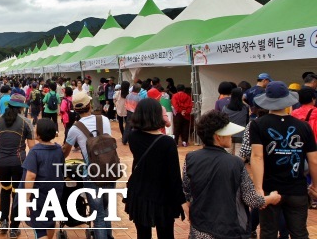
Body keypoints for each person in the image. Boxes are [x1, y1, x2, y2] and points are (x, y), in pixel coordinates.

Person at [183, 110, 281, 238]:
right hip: (229, 229)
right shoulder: (235, 163)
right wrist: (271, 198)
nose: (231, 136)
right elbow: (251, 199)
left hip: (200, 228)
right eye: (228, 133)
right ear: (218, 137)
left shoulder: (191, 158)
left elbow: (186, 191)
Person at [250, 81, 317, 238]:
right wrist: (315, 185)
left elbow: (257, 156)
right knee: (299, 232)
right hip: (297, 189)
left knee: (268, 232)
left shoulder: (258, 124)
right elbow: (314, 160)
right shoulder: (303, 126)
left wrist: (258, 188)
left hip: (270, 188)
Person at [125, 98, 184, 239]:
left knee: (143, 234)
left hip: (140, 192)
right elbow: (174, 175)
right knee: (166, 234)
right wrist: (180, 200)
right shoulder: (167, 142)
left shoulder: (133, 137)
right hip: (162, 195)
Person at [62, 92, 114, 239]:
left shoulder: (74, 128)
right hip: (110, 169)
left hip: (91, 174)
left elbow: (65, 152)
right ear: (89, 105)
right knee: (106, 210)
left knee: (98, 214)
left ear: (75, 110)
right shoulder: (104, 120)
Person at [0, 93, 34, 236]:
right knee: (17, 193)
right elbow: (32, 147)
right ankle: (14, 227)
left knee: (5, 189)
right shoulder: (26, 122)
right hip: (19, 163)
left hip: (1, 162)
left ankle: (3, 221)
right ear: (21, 108)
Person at [21, 118, 64, 239]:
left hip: (40, 194)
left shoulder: (35, 151)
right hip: (56, 191)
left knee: (39, 227)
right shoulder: (58, 149)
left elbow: (30, 176)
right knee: (50, 220)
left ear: (39, 134)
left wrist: (27, 199)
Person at [221, 88, 249, 155]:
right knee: (239, 156)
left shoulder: (225, 108)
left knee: (227, 154)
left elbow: (222, 120)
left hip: (228, 134)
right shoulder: (245, 108)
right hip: (241, 134)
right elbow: (247, 120)